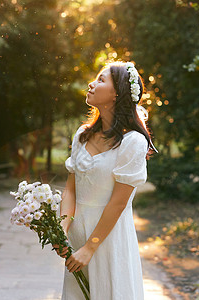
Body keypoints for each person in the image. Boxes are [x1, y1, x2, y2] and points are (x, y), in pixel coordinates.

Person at [53, 61, 157, 300]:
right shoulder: (82, 135)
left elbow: (118, 203)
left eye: (101, 80)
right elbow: (71, 190)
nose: (92, 83)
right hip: (78, 234)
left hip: (109, 237)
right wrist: (62, 229)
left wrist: (91, 247)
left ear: (116, 94)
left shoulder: (133, 142)